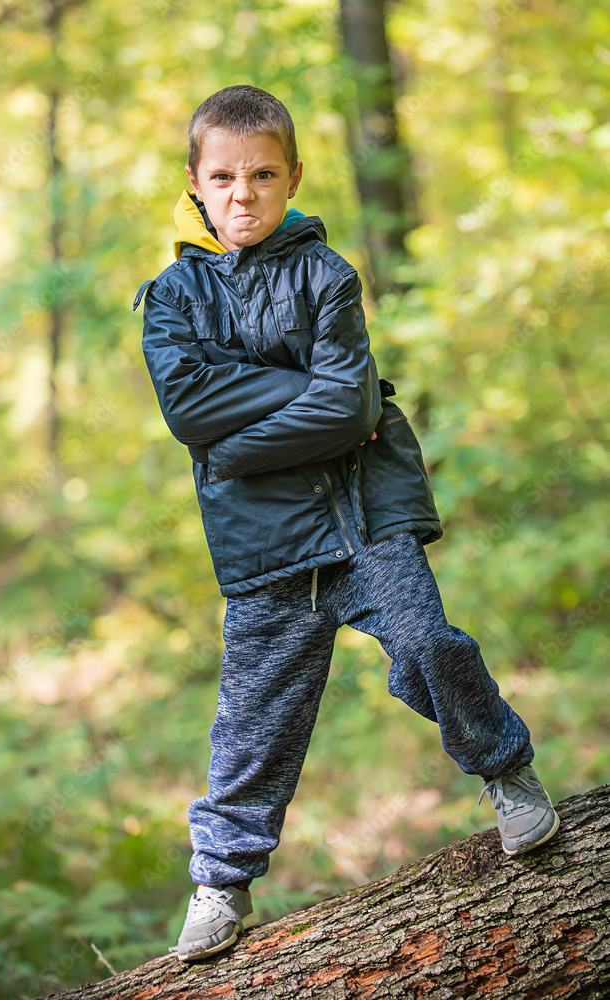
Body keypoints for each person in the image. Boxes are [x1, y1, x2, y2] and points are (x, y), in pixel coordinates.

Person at [133, 85, 560, 963]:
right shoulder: (173, 298)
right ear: (195, 183)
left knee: (429, 645)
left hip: (364, 519)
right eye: (222, 176)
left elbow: (336, 414)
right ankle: (220, 881)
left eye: (261, 174)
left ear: (293, 177)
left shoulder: (327, 274)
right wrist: (332, 398)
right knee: (253, 722)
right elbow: (191, 404)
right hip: (264, 546)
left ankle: (508, 773)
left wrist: (254, 434)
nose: (242, 192)